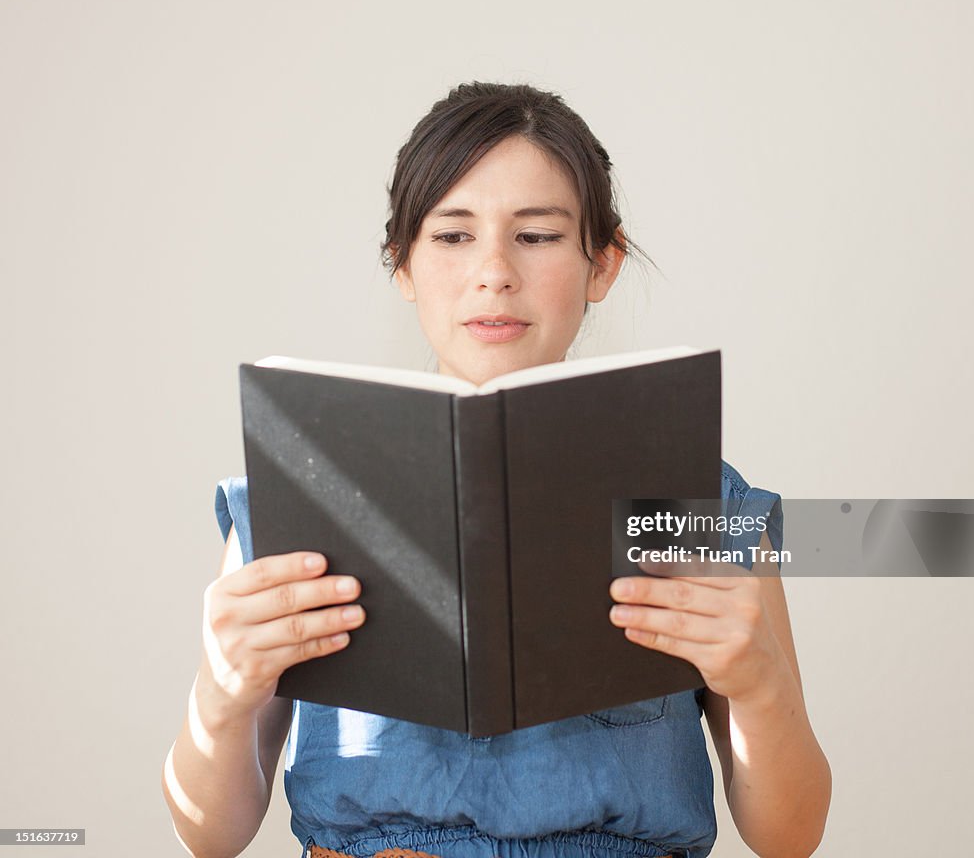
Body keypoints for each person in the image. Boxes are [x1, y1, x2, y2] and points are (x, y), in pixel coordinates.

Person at [162, 81, 832, 858]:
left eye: (538, 236)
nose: (494, 272)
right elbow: (210, 836)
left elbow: (791, 837)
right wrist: (221, 694)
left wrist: (758, 682)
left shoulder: (701, 503)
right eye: (451, 235)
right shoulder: (297, 498)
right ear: (402, 264)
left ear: (603, 264)